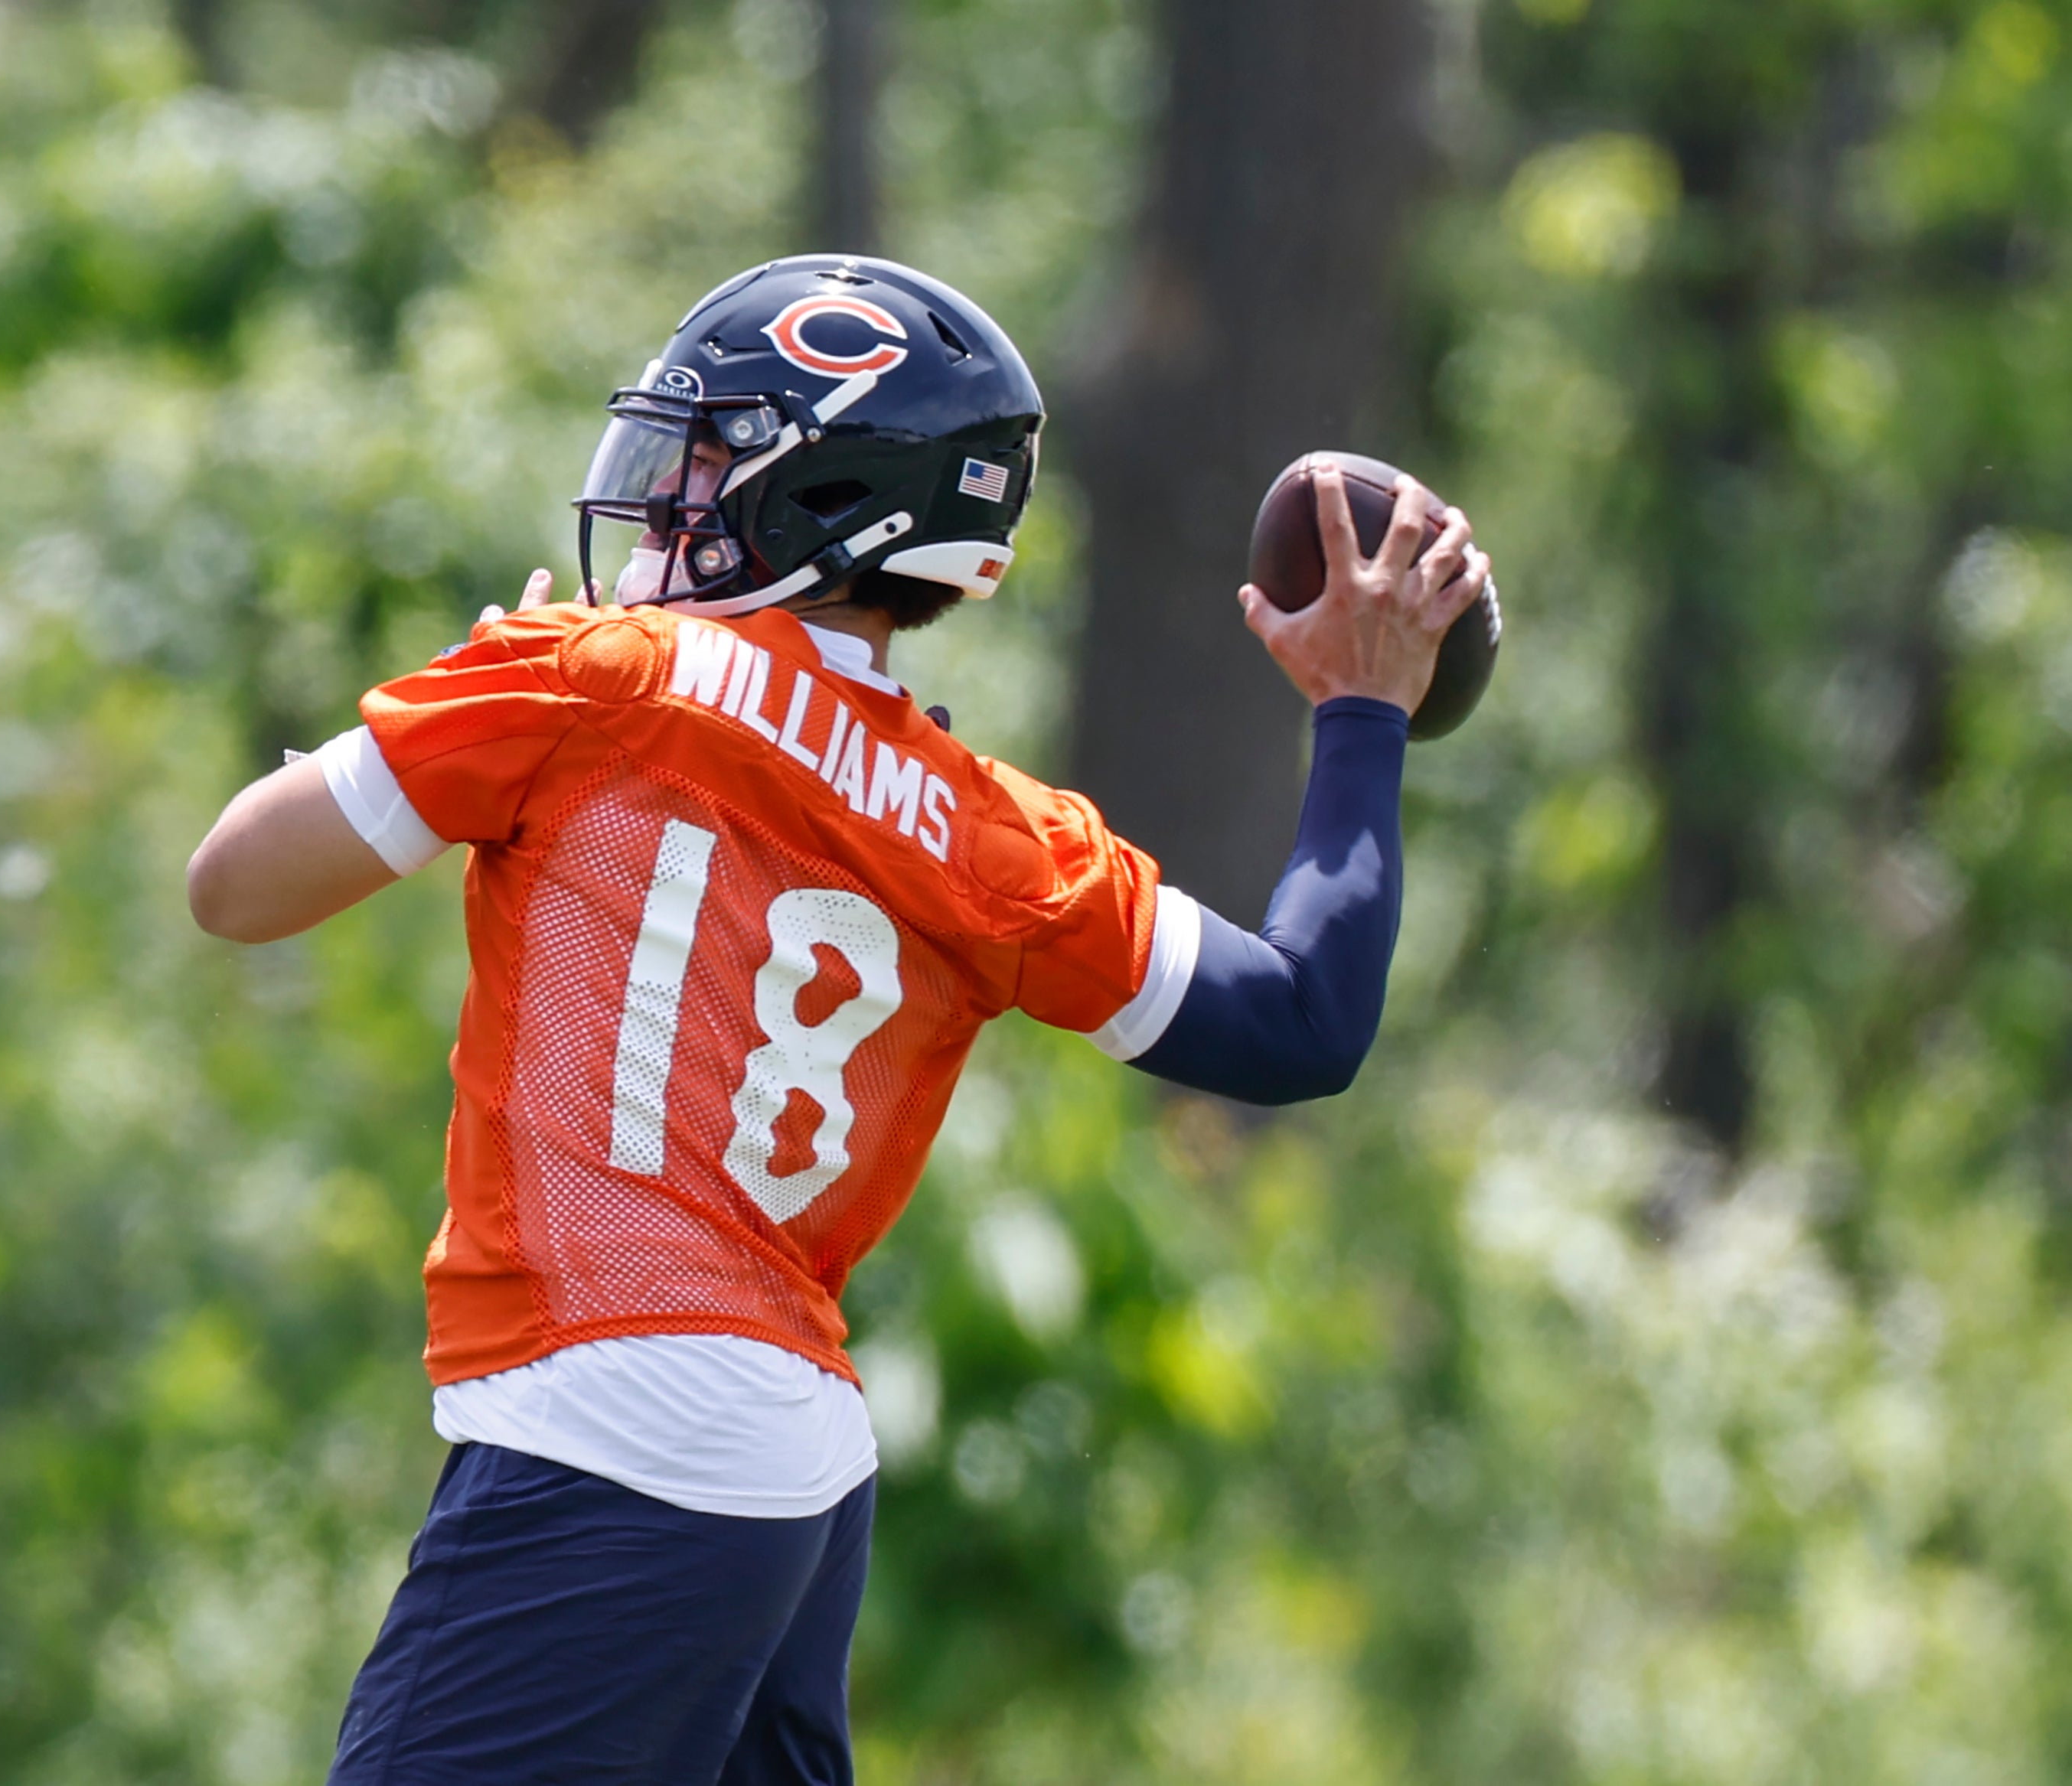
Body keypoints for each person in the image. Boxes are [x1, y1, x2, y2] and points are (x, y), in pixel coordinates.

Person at [187, 255, 1488, 1786]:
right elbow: (1300, 1022)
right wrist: (1360, 716)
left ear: (824, 496)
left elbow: (234, 884)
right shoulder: (989, 830)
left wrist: (472, 691)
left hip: (606, 1411)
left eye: (711, 460)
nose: (668, 500)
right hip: (797, 1462)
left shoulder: (591, 678)